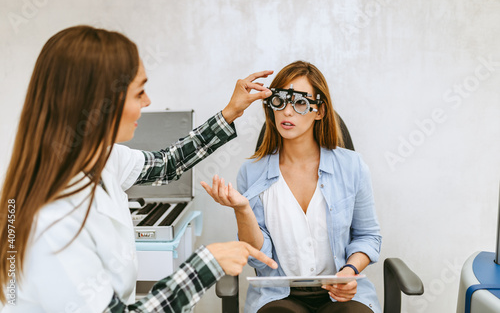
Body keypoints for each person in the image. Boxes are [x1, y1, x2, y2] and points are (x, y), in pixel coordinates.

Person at [0, 25, 278, 312]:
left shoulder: (101, 159)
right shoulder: (52, 222)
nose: (148, 102)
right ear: (100, 102)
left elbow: (167, 164)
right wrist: (205, 266)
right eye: (139, 92)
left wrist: (230, 112)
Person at [202, 61, 382, 313]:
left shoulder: (352, 166)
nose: (287, 112)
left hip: (340, 294)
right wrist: (242, 209)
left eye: (299, 103)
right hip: (279, 296)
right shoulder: (251, 173)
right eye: (280, 101)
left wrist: (349, 272)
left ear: (319, 111)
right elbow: (257, 256)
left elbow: (368, 236)